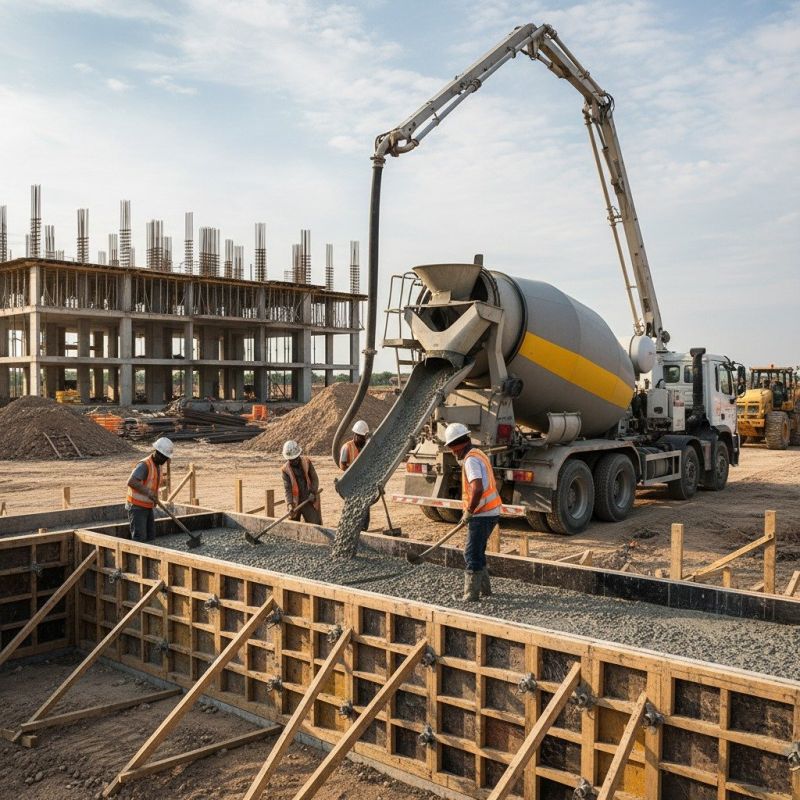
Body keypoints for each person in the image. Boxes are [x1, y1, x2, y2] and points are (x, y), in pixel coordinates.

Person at [444, 422, 501, 602]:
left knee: (470, 554)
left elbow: (477, 488)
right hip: (491, 511)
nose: (453, 453)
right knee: (478, 551)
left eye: (452, 448)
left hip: (482, 514)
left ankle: (471, 595)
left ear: (457, 445)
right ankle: (485, 590)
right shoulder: (479, 453)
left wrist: (469, 511)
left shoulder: (470, 460)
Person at [126, 437, 174, 542]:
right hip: (137, 507)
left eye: (166, 458)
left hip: (148, 506)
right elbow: (131, 482)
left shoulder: (158, 465)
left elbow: (152, 483)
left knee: (151, 537)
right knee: (140, 539)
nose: (165, 461)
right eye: (164, 458)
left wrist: (154, 495)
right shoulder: (144, 465)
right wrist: (148, 492)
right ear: (158, 453)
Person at [339, 420, 371, 531]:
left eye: (364, 437)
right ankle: (349, 527)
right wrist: (352, 473)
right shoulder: (347, 447)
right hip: (351, 482)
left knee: (365, 505)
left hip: (364, 481)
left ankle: (364, 529)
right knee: (352, 505)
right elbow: (342, 465)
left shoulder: (367, 446)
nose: (363, 439)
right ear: (355, 435)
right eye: (361, 437)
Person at [281, 440, 322, 525]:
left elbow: (315, 479)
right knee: (293, 526)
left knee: (315, 524)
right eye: (291, 460)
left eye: (295, 458)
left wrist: (312, 492)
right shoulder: (285, 470)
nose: (294, 461)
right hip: (295, 502)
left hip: (308, 499)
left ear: (298, 455)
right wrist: (289, 504)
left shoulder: (307, 462)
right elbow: (287, 489)